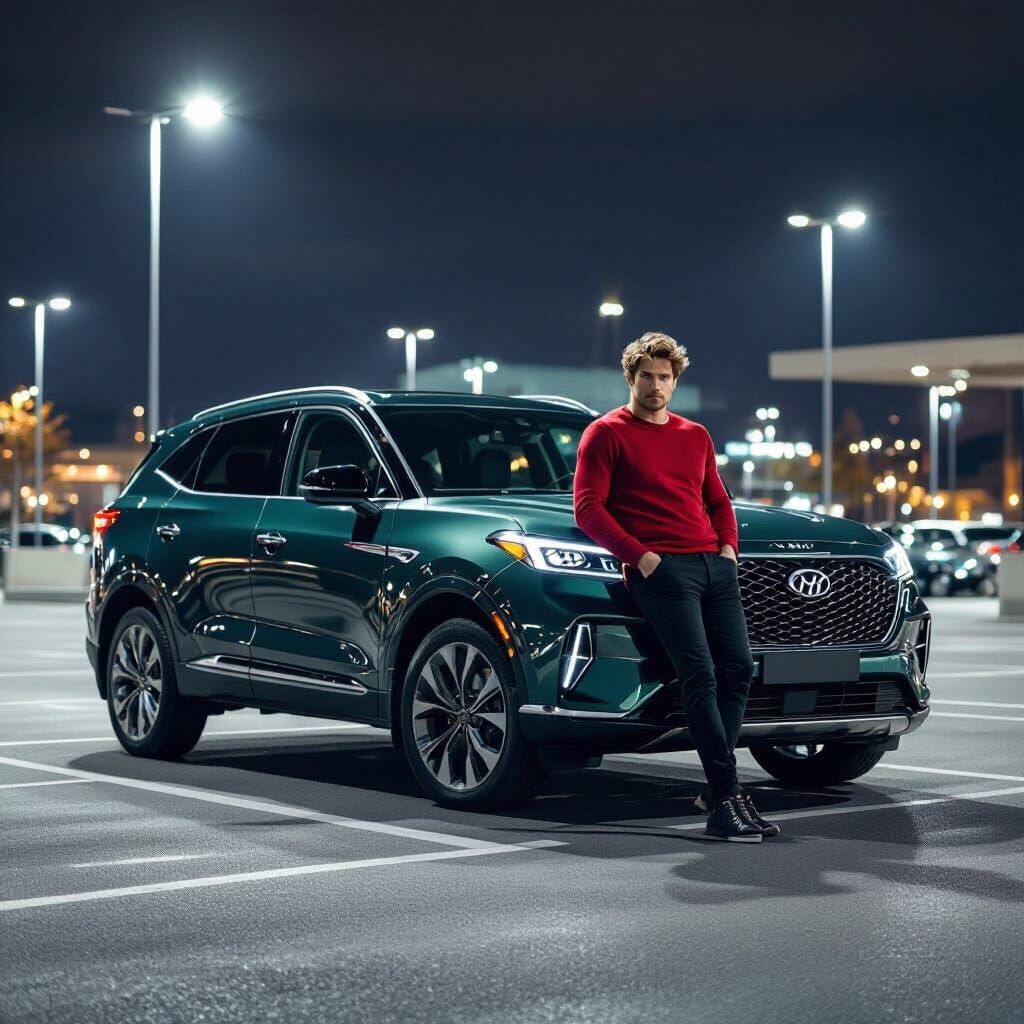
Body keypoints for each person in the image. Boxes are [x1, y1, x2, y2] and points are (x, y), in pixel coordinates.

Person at [573, 331, 778, 842]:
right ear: (631, 377)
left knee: (739, 668)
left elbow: (719, 500)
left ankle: (718, 789)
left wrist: (728, 551)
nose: (656, 386)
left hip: (714, 566)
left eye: (664, 378)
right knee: (699, 675)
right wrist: (642, 559)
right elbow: (588, 509)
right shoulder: (606, 433)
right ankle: (726, 797)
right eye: (647, 376)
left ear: (675, 381)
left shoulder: (695, 435)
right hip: (662, 572)